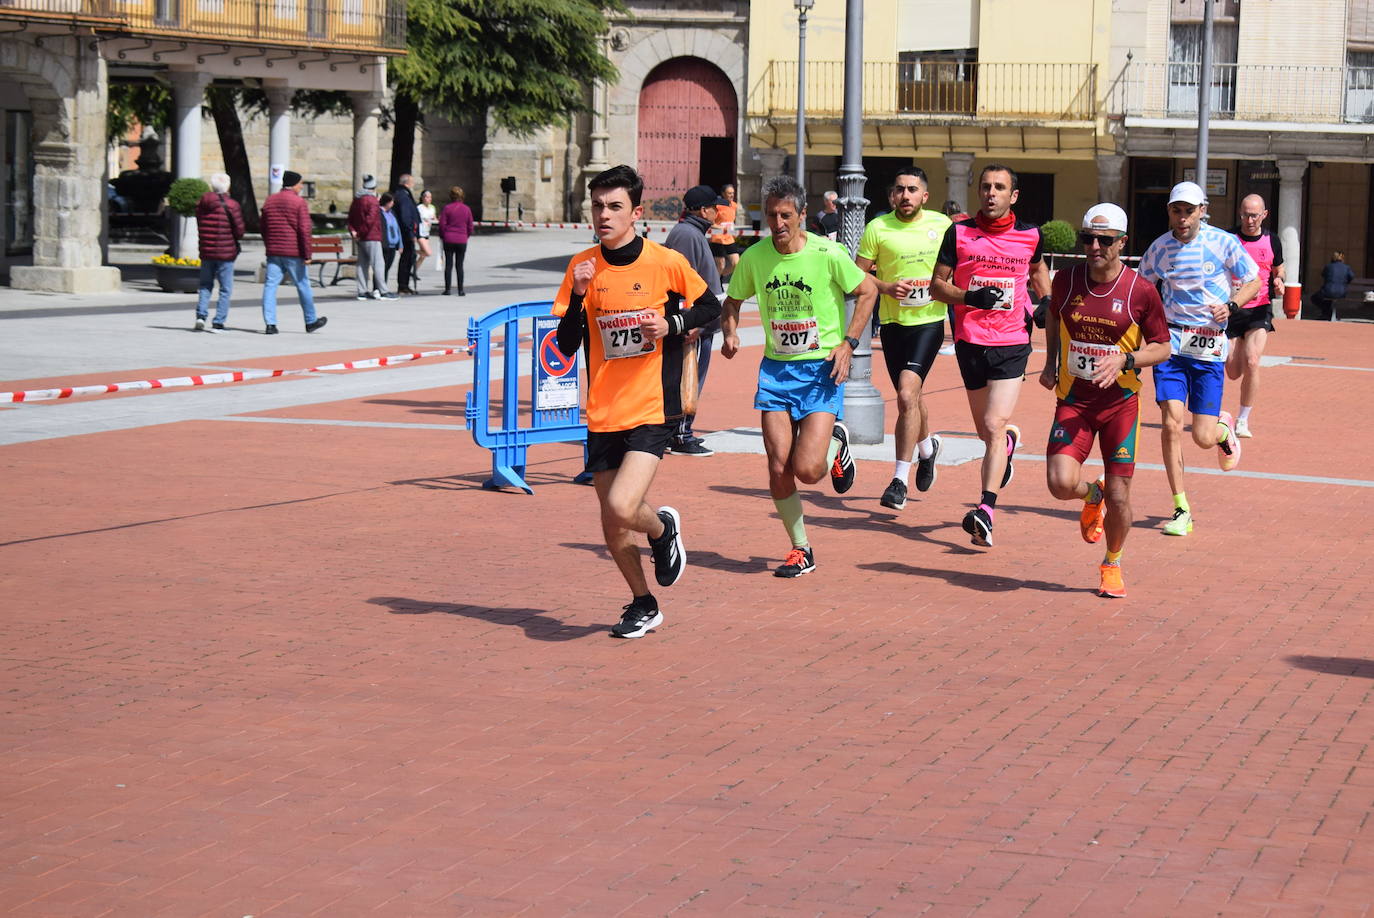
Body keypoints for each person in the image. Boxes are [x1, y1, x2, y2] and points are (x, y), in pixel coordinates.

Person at [552, 165, 721, 639]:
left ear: (637, 212)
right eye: (597, 206)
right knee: (611, 522)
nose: (603, 215)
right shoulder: (583, 267)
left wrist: (673, 325)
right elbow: (566, 345)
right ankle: (643, 602)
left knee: (624, 507)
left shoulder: (664, 262)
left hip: (652, 405)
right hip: (603, 410)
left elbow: (709, 305)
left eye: (614, 206)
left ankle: (663, 529)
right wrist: (582, 293)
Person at [720, 174, 879, 578]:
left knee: (808, 471)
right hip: (776, 371)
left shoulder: (828, 253)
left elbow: (867, 292)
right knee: (777, 466)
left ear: (803, 214)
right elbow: (733, 300)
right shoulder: (755, 257)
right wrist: (731, 331)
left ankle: (835, 445)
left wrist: (848, 343)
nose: (778, 223)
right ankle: (800, 548)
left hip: (820, 370)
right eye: (772, 215)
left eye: (786, 215)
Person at [1038, 204, 1171, 599]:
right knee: (1060, 483)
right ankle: (1088, 495)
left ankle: (1111, 562)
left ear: (1122, 243)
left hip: (1121, 404)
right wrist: (1049, 363)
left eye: (1104, 240)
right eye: (1087, 239)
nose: (1094, 246)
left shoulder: (1140, 290)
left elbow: (1163, 348)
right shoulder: (1066, 278)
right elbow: (1052, 318)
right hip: (1075, 399)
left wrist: (1125, 358)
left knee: (1120, 494)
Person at [930, 163, 1051, 547]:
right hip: (970, 340)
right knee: (988, 432)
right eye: (985, 187)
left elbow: (1037, 270)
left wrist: (1046, 300)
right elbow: (936, 286)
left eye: (1000, 187)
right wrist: (969, 297)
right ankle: (1008, 446)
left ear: (1013, 195)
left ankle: (985, 511)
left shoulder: (1030, 234)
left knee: (994, 424)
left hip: (1013, 341)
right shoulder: (960, 232)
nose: (991, 193)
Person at [1138, 181, 1259, 536]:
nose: (1183, 217)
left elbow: (1252, 279)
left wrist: (1231, 306)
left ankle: (1222, 430)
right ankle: (1180, 508)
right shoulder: (1159, 248)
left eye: (1189, 210)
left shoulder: (1222, 242)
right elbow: (1141, 289)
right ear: (1170, 212)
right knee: (1171, 424)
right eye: (1177, 210)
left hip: (1208, 346)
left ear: (1202, 211)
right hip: (1171, 345)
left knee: (1202, 438)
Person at [855, 165, 952, 512]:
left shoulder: (942, 225)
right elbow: (858, 274)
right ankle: (928, 450)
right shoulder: (877, 228)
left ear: (924, 196)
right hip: (893, 324)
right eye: (900, 189)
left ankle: (899, 481)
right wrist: (885, 287)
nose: (905, 195)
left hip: (929, 321)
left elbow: (960, 264)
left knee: (906, 393)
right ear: (891, 194)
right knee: (912, 397)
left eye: (912, 190)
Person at [662, 184, 725, 457]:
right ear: (703, 210)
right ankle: (680, 433)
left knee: (691, 377)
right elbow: (682, 286)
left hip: (701, 321)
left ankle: (680, 430)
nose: (718, 211)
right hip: (695, 324)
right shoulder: (688, 235)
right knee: (688, 378)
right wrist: (692, 322)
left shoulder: (691, 232)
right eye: (714, 207)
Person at [1225, 194, 1286, 437]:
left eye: (1253, 215)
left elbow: (1278, 268)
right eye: (1244, 214)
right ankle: (1239, 341)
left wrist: (1279, 280)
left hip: (1259, 308)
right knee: (1232, 371)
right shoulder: (1228, 239)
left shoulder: (1273, 240)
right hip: (1231, 308)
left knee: (1252, 361)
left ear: (1264, 215)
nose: (1249, 220)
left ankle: (1242, 419)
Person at [258, 170, 326, 335]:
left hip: (274, 251)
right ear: (294, 184)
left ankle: (270, 324)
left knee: (270, 286)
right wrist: (307, 254)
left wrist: (269, 245)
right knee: (303, 285)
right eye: (300, 183)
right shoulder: (298, 203)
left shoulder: (270, 200)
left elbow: (263, 227)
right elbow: (304, 230)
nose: (301, 186)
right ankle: (310, 321)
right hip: (293, 251)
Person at [193, 172, 244, 332]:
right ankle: (218, 321)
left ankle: (201, 316)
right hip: (226, 252)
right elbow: (240, 231)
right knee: (225, 288)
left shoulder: (202, 204)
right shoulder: (232, 205)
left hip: (207, 250)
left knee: (205, 285)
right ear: (227, 186)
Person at [347, 173, 395, 301]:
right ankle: (383, 291)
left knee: (362, 264)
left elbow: (350, 217)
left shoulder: (356, 199)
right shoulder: (373, 201)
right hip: (371, 236)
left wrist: (354, 232)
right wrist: (361, 233)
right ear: (374, 187)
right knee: (378, 264)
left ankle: (362, 291)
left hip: (360, 237)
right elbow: (370, 220)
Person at [438, 186, 475, 296]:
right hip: (461, 239)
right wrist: (465, 236)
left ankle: (448, 289)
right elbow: (470, 226)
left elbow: (442, 225)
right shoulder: (467, 209)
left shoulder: (447, 208)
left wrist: (443, 236)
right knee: (460, 265)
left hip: (449, 238)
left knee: (448, 265)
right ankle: (460, 290)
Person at [391, 173, 420, 294]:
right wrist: (410, 233)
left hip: (406, 232)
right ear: (407, 183)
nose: (413, 184)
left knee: (409, 258)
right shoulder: (403, 196)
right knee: (406, 259)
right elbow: (405, 216)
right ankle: (403, 285)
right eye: (412, 182)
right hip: (406, 233)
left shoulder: (402, 194)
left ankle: (404, 284)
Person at [1313, 250, 1355, 321]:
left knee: (1314, 298)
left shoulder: (1328, 266)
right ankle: (1326, 314)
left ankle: (1326, 313)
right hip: (1341, 292)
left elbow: (1323, 275)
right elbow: (1351, 276)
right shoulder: (1346, 267)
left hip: (1327, 291)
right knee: (1328, 298)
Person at [710, 183, 741, 279]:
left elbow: (731, 221)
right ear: (723, 194)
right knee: (720, 265)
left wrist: (733, 230)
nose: (732, 195)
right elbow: (711, 223)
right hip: (717, 239)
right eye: (729, 193)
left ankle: (720, 277)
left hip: (729, 238)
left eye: (733, 193)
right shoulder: (717, 206)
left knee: (736, 263)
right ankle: (717, 282)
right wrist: (722, 228)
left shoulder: (734, 206)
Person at [379, 192, 401, 286]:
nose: (393, 203)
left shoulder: (392, 213)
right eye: (391, 202)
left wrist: (400, 244)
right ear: (386, 202)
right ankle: (379, 288)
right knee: (382, 267)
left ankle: (384, 286)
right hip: (384, 245)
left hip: (393, 245)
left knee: (387, 267)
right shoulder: (379, 213)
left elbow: (397, 228)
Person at [415, 188, 436, 279]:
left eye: (430, 197)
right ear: (423, 198)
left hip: (427, 232)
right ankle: (411, 251)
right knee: (428, 252)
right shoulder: (419, 208)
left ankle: (413, 271)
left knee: (423, 255)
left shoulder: (432, 207)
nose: (429, 199)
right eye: (427, 197)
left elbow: (434, 219)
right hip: (420, 233)